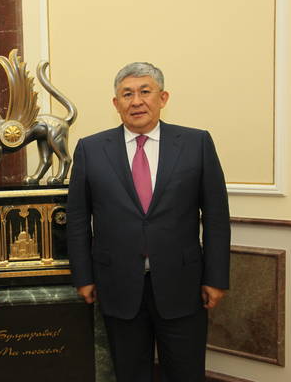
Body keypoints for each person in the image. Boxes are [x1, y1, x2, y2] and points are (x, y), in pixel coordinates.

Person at [67, 62, 230, 381]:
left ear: (163, 98)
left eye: (145, 91)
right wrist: (83, 277)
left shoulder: (196, 143)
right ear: (116, 103)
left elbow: (216, 216)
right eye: (127, 94)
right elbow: (77, 219)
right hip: (117, 285)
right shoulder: (90, 149)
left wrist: (216, 277)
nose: (136, 101)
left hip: (183, 285)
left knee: (185, 372)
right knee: (130, 373)